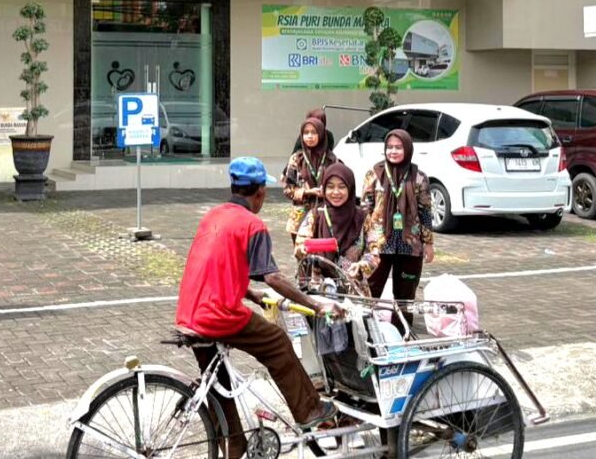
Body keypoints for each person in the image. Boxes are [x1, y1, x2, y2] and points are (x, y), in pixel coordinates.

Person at [175, 157, 343, 459]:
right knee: (278, 343)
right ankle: (309, 410)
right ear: (261, 192)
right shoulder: (252, 224)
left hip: (189, 310)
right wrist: (313, 305)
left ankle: (234, 446)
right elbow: (274, 277)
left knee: (218, 380)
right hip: (218, 314)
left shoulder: (212, 215)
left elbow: (221, 266)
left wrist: (251, 294)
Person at [361, 129, 434, 330]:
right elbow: (365, 209)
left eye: (398, 147)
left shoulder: (418, 177)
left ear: (408, 149)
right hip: (379, 244)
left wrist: (428, 243)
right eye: (390, 147)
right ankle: (366, 331)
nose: (393, 151)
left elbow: (425, 212)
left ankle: (401, 334)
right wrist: (362, 242)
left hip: (410, 245)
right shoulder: (374, 174)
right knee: (369, 291)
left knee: (405, 297)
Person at [294, 163, 377, 292]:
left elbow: (374, 251)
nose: (336, 192)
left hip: (354, 289)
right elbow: (299, 246)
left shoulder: (362, 217)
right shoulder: (316, 215)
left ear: (350, 188)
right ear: (324, 189)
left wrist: (361, 265)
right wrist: (307, 249)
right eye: (330, 187)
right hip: (319, 290)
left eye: (342, 187)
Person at [283, 118, 337, 243]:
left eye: (314, 132)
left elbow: (341, 185)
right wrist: (308, 192)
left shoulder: (332, 159)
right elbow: (287, 189)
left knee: (323, 256)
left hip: (325, 216)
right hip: (300, 218)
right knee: (303, 257)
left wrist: (329, 191)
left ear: (321, 134)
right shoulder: (296, 159)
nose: (310, 136)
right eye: (306, 133)